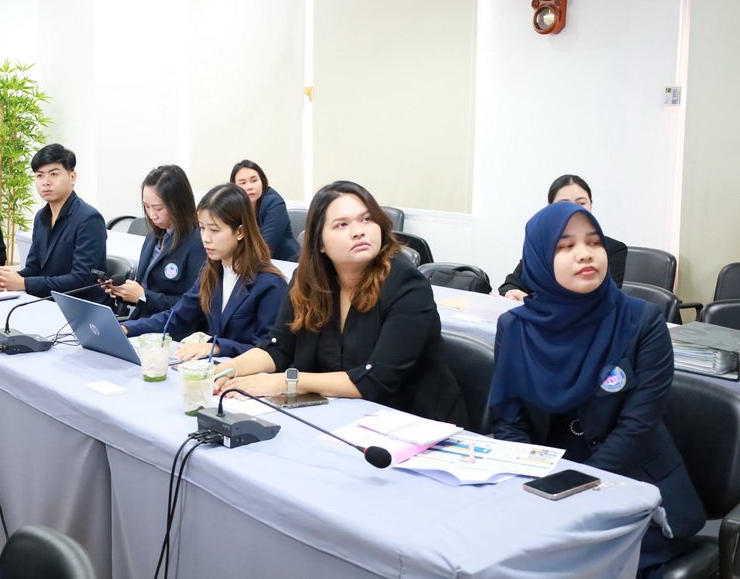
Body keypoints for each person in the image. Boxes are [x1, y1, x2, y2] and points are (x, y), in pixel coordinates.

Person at [489, 202, 704, 577]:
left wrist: (572, 489)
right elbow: (510, 422)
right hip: (546, 483)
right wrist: (532, 483)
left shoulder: (642, 321)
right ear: (538, 260)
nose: (585, 254)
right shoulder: (515, 327)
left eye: (593, 242)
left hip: (632, 485)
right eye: (565, 246)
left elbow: (637, 427)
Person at [214, 181, 467, 425]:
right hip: (340, 416)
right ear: (320, 243)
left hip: (415, 423)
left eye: (367, 219)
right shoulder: (307, 281)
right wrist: (225, 370)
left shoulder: (407, 285)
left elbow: (376, 379)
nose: (358, 231)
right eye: (342, 225)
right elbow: (277, 348)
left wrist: (287, 381)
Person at [122, 184, 287, 360]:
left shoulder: (270, 284)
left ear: (240, 232)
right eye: (202, 228)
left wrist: (218, 347)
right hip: (214, 369)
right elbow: (178, 316)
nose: (206, 238)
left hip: (245, 373)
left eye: (214, 230)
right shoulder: (212, 271)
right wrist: (127, 328)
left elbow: (269, 351)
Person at [0, 144, 106, 300]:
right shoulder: (41, 217)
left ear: (72, 177)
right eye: (40, 176)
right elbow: (34, 268)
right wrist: (8, 278)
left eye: (54, 174)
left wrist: (23, 283)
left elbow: (82, 280)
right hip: (47, 300)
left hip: (79, 306)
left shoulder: (89, 218)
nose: (46, 182)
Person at [498, 174, 628, 300]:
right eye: (564, 204)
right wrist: (512, 293)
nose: (573, 209)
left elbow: (606, 299)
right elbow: (510, 285)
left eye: (581, 203)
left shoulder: (613, 249)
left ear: (591, 205)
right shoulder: (540, 245)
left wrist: (533, 302)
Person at [106, 165, 206, 319]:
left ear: (178, 204)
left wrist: (143, 296)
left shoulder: (197, 242)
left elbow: (194, 306)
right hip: (142, 322)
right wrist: (122, 292)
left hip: (169, 326)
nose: (152, 215)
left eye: (158, 208)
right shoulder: (152, 238)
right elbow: (143, 290)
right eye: (146, 207)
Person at [231, 160, 300, 262]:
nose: (249, 187)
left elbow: (265, 246)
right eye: (243, 183)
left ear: (262, 181)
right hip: (252, 261)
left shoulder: (275, 203)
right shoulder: (234, 205)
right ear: (234, 186)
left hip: (286, 263)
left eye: (254, 181)